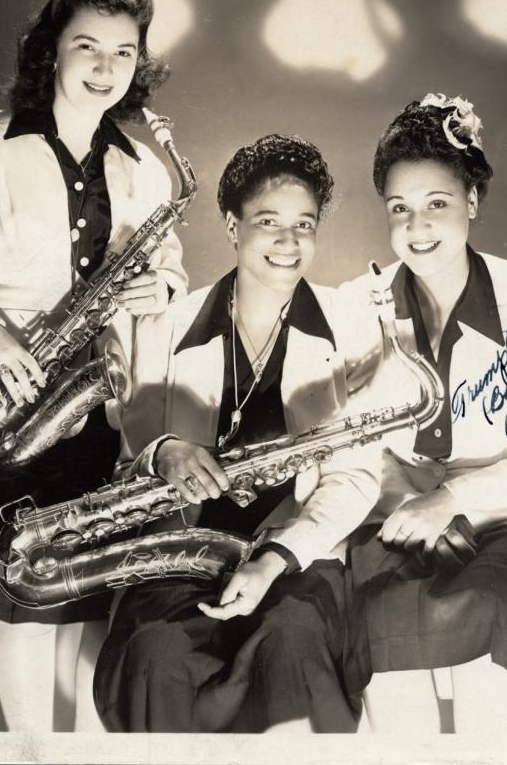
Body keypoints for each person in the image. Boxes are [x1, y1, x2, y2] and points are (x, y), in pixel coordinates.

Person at [0, 0, 187, 732]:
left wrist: (163, 287)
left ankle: (63, 749)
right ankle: (28, 750)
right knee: (18, 593)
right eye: (88, 46)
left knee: (76, 586)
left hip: (95, 396)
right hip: (9, 393)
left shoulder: (142, 164)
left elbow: (167, 260)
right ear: (52, 49)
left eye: (124, 51)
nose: (107, 67)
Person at [93, 134, 382, 733]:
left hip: (297, 560)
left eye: (305, 224)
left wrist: (274, 560)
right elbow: (129, 462)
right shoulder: (166, 324)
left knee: (293, 641)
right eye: (268, 221)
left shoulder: (354, 323)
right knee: (158, 655)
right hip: (182, 557)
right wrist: (162, 452)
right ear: (231, 225)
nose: (289, 242)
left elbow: (355, 478)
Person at [336, 94, 507, 734]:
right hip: (396, 514)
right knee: (381, 615)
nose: (418, 228)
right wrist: (408, 501)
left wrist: (454, 502)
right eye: (400, 210)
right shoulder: (355, 305)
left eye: (437, 204)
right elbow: (348, 443)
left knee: (487, 605)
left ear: (473, 200)